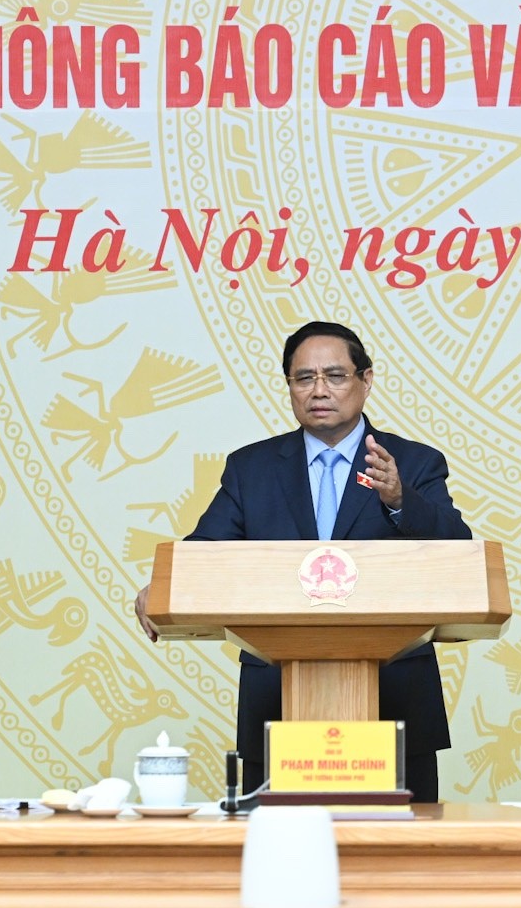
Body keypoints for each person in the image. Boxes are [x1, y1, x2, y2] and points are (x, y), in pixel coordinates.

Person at [134, 321, 470, 801]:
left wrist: (400, 500)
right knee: (278, 844)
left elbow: (458, 552)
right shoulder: (251, 469)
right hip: (277, 701)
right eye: (304, 378)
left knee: (395, 848)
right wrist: (164, 587)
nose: (319, 390)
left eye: (335, 376)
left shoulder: (413, 463)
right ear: (289, 385)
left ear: (366, 380)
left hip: (395, 698)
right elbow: (204, 552)